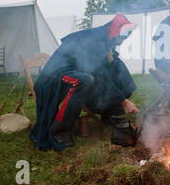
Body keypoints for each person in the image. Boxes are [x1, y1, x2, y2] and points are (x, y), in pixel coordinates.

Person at [29, 13, 140, 151]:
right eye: (121, 37)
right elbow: (99, 75)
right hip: (54, 75)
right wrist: (123, 101)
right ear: (114, 31)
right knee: (85, 80)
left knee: (117, 65)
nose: (122, 41)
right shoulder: (94, 40)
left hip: (72, 71)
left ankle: (110, 112)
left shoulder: (103, 38)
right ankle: (59, 132)